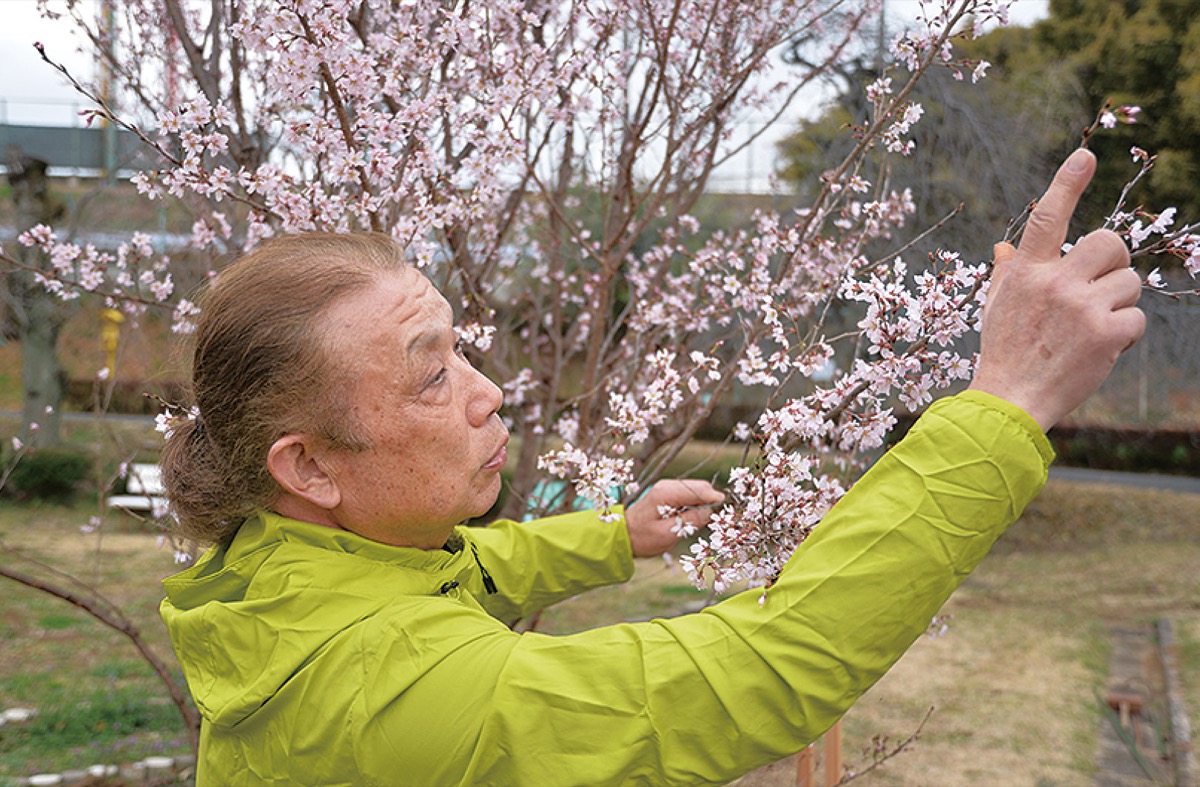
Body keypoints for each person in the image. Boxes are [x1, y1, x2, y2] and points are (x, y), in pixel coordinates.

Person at [159, 148, 1143, 786]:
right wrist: (1004, 404)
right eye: (429, 378)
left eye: (461, 349)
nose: (488, 390)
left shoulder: (289, 565)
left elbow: (465, 567)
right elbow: (765, 675)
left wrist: (609, 537)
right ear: (311, 467)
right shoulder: (392, 697)